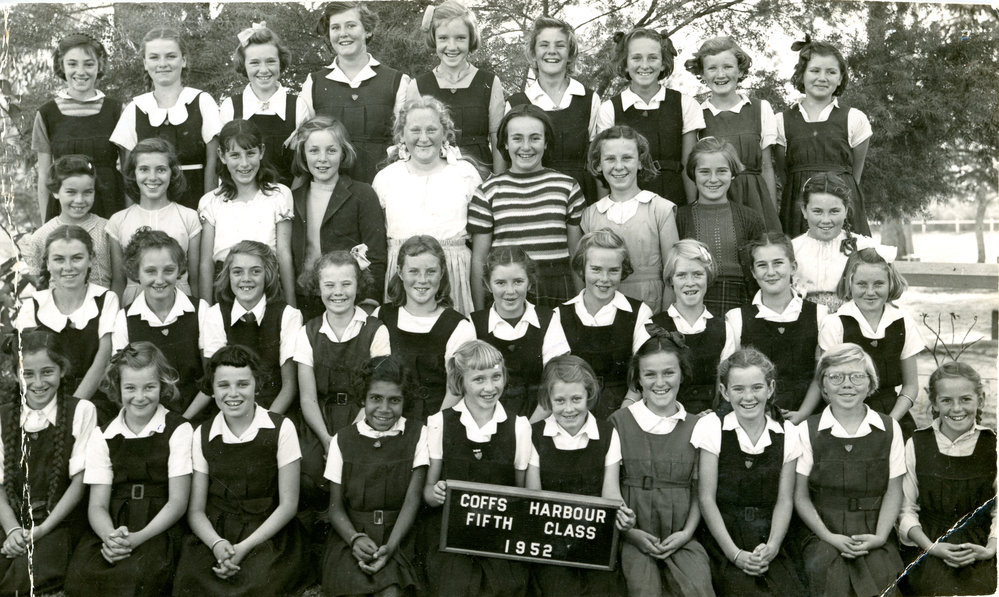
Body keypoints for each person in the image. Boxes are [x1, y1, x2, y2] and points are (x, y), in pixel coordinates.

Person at [172, 345, 311, 596]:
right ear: (212, 390)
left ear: (257, 385)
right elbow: (195, 510)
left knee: (256, 584)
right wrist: (216, 544)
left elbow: (288, 505)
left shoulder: (281, 428)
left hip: (268, 533)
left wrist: (244, 547)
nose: (233, 393)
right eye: (223, 385)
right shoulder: (201, 435)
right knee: (194, 582)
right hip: (216, 533)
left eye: (243, 384)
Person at [65, 342, 192, 597]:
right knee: (82, 579)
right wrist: (110, 537)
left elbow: (178, 501)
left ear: (163, 386)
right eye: (130, 388)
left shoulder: (178, 429)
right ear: (117, 387)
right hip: (116, 522)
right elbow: (97, 505)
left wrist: (138, 537)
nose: (140, 396)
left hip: (158, 525)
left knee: (140, 578)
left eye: (149, 387)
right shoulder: (103, 435)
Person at [794, 343, 905, 597]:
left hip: (874, 528)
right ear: (823, 385)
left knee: (881, 574)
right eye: (836, 377)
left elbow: (893, 491)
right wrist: (828, 537)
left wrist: (879, 536)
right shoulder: (807, 431)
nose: (847, 385)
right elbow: (799, 496)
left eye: (857, 376)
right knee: (827, 572)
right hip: (823, 530)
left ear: (870, 383)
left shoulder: (889, 429)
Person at [691, 347, 804, 596]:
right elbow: (706, 498)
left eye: (756, 387)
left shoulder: (788, 433)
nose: (748, 397)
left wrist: (773, 546)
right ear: (724, 391)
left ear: (771, 388)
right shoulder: (712, 427)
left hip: (768, 534)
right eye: (738, 389)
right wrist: (735, 554)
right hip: (723, 538)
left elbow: (784, 500)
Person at [423, 340, 532, 597]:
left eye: (496, 377)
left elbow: (520, 489)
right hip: (451, 534)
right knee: (454, 586)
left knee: (506, 587)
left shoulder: (519, 426)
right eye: (479, 379)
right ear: (461, 381)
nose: (490, 387)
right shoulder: (439, 423)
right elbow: (428, 490)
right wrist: (435, 493)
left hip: (499, 532)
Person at [610, 333, 714, 597]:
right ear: (638, 379)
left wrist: (687, 533)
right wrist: (631, 533)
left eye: (669, 373)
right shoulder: (619, 422)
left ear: (682, 374)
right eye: (649, 375)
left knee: (697, 588)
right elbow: (609, 490)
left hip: (681, 536)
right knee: (642, 589)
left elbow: (699, 492)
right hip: (630, 537)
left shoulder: (698, 426)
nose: (660, 383)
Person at [294, 250, 391, 520]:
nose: (338, 292)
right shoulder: (308, 332)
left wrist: (346, 438)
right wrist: (327, 440)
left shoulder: (376, 329)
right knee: (308, 469)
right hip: (320, 421)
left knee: (360, 472)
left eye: (346, 284)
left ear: (359, 285)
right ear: (317, 287)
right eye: (329, 285)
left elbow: (376, 393)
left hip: (363, 417)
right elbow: (307, 399)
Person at [526, 355, 635, 596]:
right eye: (560, 400)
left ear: (589, 395)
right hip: (550, 541)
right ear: (548, 399)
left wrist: (623, 515)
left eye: (576, 399)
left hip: (593, 539)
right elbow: (534, 498)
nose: (568, 408)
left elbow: (611, 494)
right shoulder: (534, 435)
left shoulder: (607, 433)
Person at [0, 331, 98, 595]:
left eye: (47, 372)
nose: (38, 382)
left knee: (21, 581)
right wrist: (11, 530)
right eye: (28, 374)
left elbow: (78, 485)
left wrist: (41, 530)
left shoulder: (81, 411)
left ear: (62, 369)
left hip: (57, 524)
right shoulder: (4, 415)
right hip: (12, 521)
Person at [322, 356, 428, 597]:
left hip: (399, 535)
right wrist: (354, 539)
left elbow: (412, 501)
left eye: (394, 400)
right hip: (352, 535)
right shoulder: (343, 439)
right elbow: (335, 508)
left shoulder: (417, 434)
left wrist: (390, 548)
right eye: (375, 399)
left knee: (392, 592)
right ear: (363, 398)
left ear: (404, 401)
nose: (384, 409)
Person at [468, 104, 584, 310]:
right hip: (509, 293)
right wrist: (479, 314)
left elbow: (577, 255)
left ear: (546, 142)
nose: (526, 146)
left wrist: (581, 305)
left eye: (535, 138)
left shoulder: (567, 187)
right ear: (504, 143)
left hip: (558, 289)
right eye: (517, 138)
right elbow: (479, 260)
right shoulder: (488, 192)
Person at [373, 96, 481, 314]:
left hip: (453, 271)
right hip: (405, 274)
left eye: (431, 129)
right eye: (415, 130)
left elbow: (480, 237)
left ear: (445, 133)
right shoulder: (386, 178)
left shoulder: (464, 173)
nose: (424, 138)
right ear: (402, 135)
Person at [898, 361, 997, 597]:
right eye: (946, 400)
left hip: (980, 544)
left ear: (980, 400)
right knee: (929, 586)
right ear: (934, 402)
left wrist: (990, 549)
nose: (956, 408)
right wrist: (931, 547)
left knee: (983, 587)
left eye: (965, 399)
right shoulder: (917, 444)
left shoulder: (993, 446)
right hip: (928, 542)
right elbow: (906, 509)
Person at [542, 229, 653, 420]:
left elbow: (643, 371)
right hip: (573, 412)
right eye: (596, 269)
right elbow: (555, 378)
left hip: (625, 410)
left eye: (613, 270)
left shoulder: (639, 312)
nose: (604, 279)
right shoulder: (560, 315)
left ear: (623, 270)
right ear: (581, 268)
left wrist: (623, 414)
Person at [16, 225, 120, 423]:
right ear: (46, 263)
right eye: (59, 259)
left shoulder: (106, 299)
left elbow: (103, 361)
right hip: (42, 400)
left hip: (93, 402)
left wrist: (71, 410)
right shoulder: (33, 306)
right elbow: (28, 366)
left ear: (90, 260)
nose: (68, 267)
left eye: (77, 258)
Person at [818, 248, 925, 438]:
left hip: (894, 415)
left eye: (878, 284)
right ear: (849, 283)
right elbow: (826, 386)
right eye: (861, 284)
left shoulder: (902, 322)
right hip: (846, 415)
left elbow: (911, 386)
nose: (870, 292)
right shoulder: (835, 324)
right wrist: (856, 422)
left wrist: (890, 422)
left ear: (890, 283)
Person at [110, 27, 222, 210]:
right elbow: (128, 172)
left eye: (171, 56)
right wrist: (131, 215)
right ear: (145, 63)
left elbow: (213, 164)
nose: (162, 63)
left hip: (196, 203)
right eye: (154, 57)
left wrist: (208, 211)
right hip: (149, 206)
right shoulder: (135, 109)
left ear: (183, 60)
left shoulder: (202, 101)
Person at [298, 1, 409, 184]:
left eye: (351, 25)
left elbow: (404, 142)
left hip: (381, 186)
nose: (343, 33)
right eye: (335, 27)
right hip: (329, 189)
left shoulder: (397, 81)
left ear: (368, 30)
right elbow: (303, 140)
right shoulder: (314, 82)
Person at [290, 116, 387, 320]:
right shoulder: (292, 198)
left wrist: (368, 305)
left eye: (331, 150)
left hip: (350, 301)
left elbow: (376, 257)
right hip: (305, 300)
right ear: (303, 153)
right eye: (314, 150)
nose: (322, 158)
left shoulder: (363, 194)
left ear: (343, 153)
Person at [723, 233, 826, 424]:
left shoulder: (820, 314)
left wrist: (803, 414)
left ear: (793, 267)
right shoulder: (737, 318)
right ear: (753, 272)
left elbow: (821, 374)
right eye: (762, 265)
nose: (770, 272)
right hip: (755, 419)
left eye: (778, 263)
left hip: (809, 418)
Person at [595, 28, 705, 206]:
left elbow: (689, 165)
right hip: (628, 203)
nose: (644, 65)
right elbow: (604, 168)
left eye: (652, 58)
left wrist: (693, 209)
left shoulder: (685, 104)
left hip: (675, 199)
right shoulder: (609, 109)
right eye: (636, 58)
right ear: (625, 63)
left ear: (663, 63)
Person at [111, 228, 212, 422]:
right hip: (148, 419)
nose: (160, 280)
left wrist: (183, 421)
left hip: (198, 416)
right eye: (150, 271)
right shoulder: (125, 319)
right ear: (136, 272)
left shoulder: (200, 311)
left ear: (179, 269)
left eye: (168, 270)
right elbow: (122, 383)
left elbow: (212, 378)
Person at [776, 36, 872, 236]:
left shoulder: (854, 119)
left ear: (840, 78)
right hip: (798, 208)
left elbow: (854, 174)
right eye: (814, 70)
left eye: (831, 72)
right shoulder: (781, 121)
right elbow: (785, 174)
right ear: (802, 75)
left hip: (841, 207)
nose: (822, 77)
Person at [374, 236, 476, 422]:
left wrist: (433, 431)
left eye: (431, 272)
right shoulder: (381, 316)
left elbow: (455, 391)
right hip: (387, 421)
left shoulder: (459, 327)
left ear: (442, 272)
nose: (422, 280)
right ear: (400, 272)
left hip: (438, 423)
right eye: (413, 271)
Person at [685, 36, 781, 231]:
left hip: (755, 199)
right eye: (712, 68)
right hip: (715, 199)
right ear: (702, 73)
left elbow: (766, 167)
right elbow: (691, 170)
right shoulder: (695, 113)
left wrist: (771, 211)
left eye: (727, 67)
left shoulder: (760, 108)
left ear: (740, 70)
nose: (720, 74)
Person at [197, 119, 295, 305]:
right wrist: (205, 311)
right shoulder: (211, 202)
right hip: (225, 287)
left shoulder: (279, 195)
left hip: (267, 284)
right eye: (235, 155)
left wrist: (291, 306)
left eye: (250, 153)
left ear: (262, 152)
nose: (244, 163)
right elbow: (205, 263)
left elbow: (284, 254)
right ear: (222, 155)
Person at [582, 125, 678, 312]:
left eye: (627, 158)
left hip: (651, 305)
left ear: (640, 162)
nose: (619, 166)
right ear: (599, 164)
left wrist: (665, 319)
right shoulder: (590, 214)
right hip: (605, 308)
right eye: (610, 159)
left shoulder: (660, 208)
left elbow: (672, 273)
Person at [507, 16, 601, 203]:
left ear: (570, 53)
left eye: (560, 45)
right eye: (544, 45)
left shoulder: (590, 99)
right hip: (533, 196)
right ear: (533, 53)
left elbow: (598, 159)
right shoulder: (515, 104)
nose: (552, 51)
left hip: (582, 195)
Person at [201, 240, 302, 413]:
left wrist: (265, 424)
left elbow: (289, 387)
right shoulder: (215, 315)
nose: (246, 279)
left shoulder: (288, 315)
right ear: (229, 276)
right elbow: (215, 383)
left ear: (267, 275)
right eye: (237, 272)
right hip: (229, 412)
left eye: (255, 271)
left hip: (275, 413)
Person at [409, 0, 505, 177]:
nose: (451, 47)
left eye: (460, 38)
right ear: (434, 39)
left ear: (471, 39)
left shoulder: (490, 82)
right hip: (435, 178)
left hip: (481, 177)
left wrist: (498, 183)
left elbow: (497, 138)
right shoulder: (418, 86)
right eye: (443, 38)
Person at [33, 33, 124, 221]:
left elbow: (129, 170)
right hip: (65, 209)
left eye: (89, 64)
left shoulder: (116, 110)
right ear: (61, 66)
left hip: (110, 207)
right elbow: (43, 176)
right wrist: (45, 224)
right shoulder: (46, 114)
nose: (81, 71)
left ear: (100, 66)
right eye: (72, 64)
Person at [677, 136, 766, 314]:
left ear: (732, 173)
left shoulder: (750, 218)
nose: (713, 179)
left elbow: (760, 267)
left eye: (722, 171)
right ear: (693, 174)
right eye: (704, 171)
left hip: (741, 302)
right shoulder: (680, 217)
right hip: (693, 301)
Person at [107, 137, 200, 305]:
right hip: (133, 301)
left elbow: (195, 278)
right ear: (133, 173)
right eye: (143, 169)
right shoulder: (118, 221)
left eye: (161, 170)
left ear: (172, 173)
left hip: (180, 299)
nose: (152, 177)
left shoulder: (189, 217)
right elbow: (119, 281)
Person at [792, 172, 896, 311]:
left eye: (834, 211)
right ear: (804, 211)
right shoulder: (792, 250)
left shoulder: (862, 247)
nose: (826, 220)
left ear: (846, 210)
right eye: (817, 211)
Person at [647, 239, 728, 414]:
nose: (690, 282)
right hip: (667, 421)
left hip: (710, 423)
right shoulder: (653, 326)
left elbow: (727, 387)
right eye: (681, 275)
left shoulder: (723, 328)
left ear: (708, 276)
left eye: (697, 274)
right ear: (671, 280)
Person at [470, 247, 552, 419]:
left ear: (529, 283)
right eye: (500, 283)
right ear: (487, 284)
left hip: (538, 419)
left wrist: (527, 430)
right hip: (489, 422)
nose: (510, 291)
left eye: (518, 281)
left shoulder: (549, 320)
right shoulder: (473, 324)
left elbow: (556, 386)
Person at [220, 24, 297, 186]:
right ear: (243, 65)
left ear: (280, 63)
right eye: (254, 63)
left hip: (288, 203)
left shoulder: (298, 107)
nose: (264, 70)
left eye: (270, 61)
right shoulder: (231, 107)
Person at [25, 155, 112, 288]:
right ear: (55, 192)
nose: (79, 200)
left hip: (104, 305)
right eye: (71, 192)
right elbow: (39, 281)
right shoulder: (41, 236)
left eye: (87, 192)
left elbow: (119, 278)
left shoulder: (107, 229)